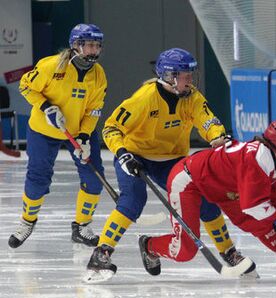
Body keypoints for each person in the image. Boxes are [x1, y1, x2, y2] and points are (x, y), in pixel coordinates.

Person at [84, 48, 246, 282]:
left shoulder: (192, 97)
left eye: (191, 75)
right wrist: (122, 154)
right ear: (169, 76)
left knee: (206, 197)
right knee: (132, 202)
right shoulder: (144, 98)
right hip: (135, 156)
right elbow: (111, 128)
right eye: (185, 76)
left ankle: (228, 251)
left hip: (171, 160)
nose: (190, 80)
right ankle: (101, 253)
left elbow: (208, 120)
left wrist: (218, 138)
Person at [137, 118, 276, 279]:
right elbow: (254, 205)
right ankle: (149, 246)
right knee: (185, 251)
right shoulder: (257, 161)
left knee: (258, 219)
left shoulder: (274, 158)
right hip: (189, 181)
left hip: (224, 187)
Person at [9, 24, 107, 249]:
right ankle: (27, 221)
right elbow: (26, 86)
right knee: (37, 179)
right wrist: (46, 107)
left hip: (79, 131)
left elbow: (94, 110)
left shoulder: (99, 75)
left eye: (97, 45)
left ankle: (82, 227)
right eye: (89, 45)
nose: (94, 50)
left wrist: (84, 137)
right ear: (76, 45)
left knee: (93, 178)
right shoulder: (51, 65)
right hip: (44, 130)